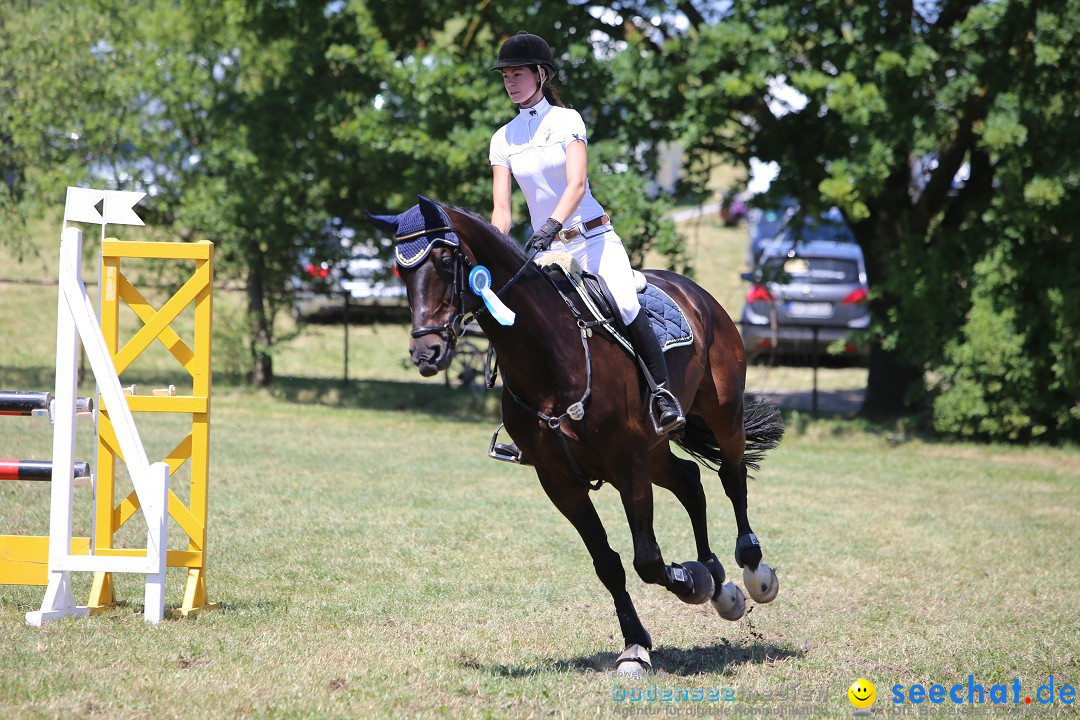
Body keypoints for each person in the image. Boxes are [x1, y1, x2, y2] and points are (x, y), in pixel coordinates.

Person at [488, 30, 684, 435]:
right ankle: (526, 423)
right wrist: (493, 253)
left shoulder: (567, 121)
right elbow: (502, 210)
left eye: (518, 74)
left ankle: (662, 396)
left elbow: (577, 186)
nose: (510, 83)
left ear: (541, 74)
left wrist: (550, 226)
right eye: (505, 76)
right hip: (547, 251)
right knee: (524, 321)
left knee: (626, 304)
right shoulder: (502, 138)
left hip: (592, 240)